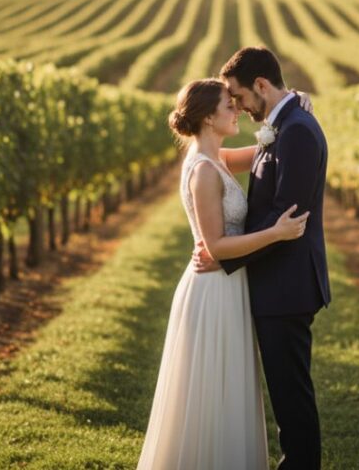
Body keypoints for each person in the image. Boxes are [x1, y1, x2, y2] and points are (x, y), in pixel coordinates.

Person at [137, 76, 312, 470]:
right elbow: (215, 247)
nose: (237, 109)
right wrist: (276, 233)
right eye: (228, 105)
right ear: (206, 117)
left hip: (229, 285)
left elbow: (268, 147)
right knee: (213, 389)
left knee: (227, 387)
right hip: (213, 289)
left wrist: (293, 103)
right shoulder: (202, 170)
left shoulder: (217, 157)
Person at [194, 47, 330, 470]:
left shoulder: (297, 131)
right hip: (277, 284)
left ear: (262, 85)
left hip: (288, 287)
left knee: (292, 398)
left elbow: (286, 217)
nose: (236, 105)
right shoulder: (283, 126)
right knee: (287, 395)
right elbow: (235, 168)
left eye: (238, 96)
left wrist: (225, 257)